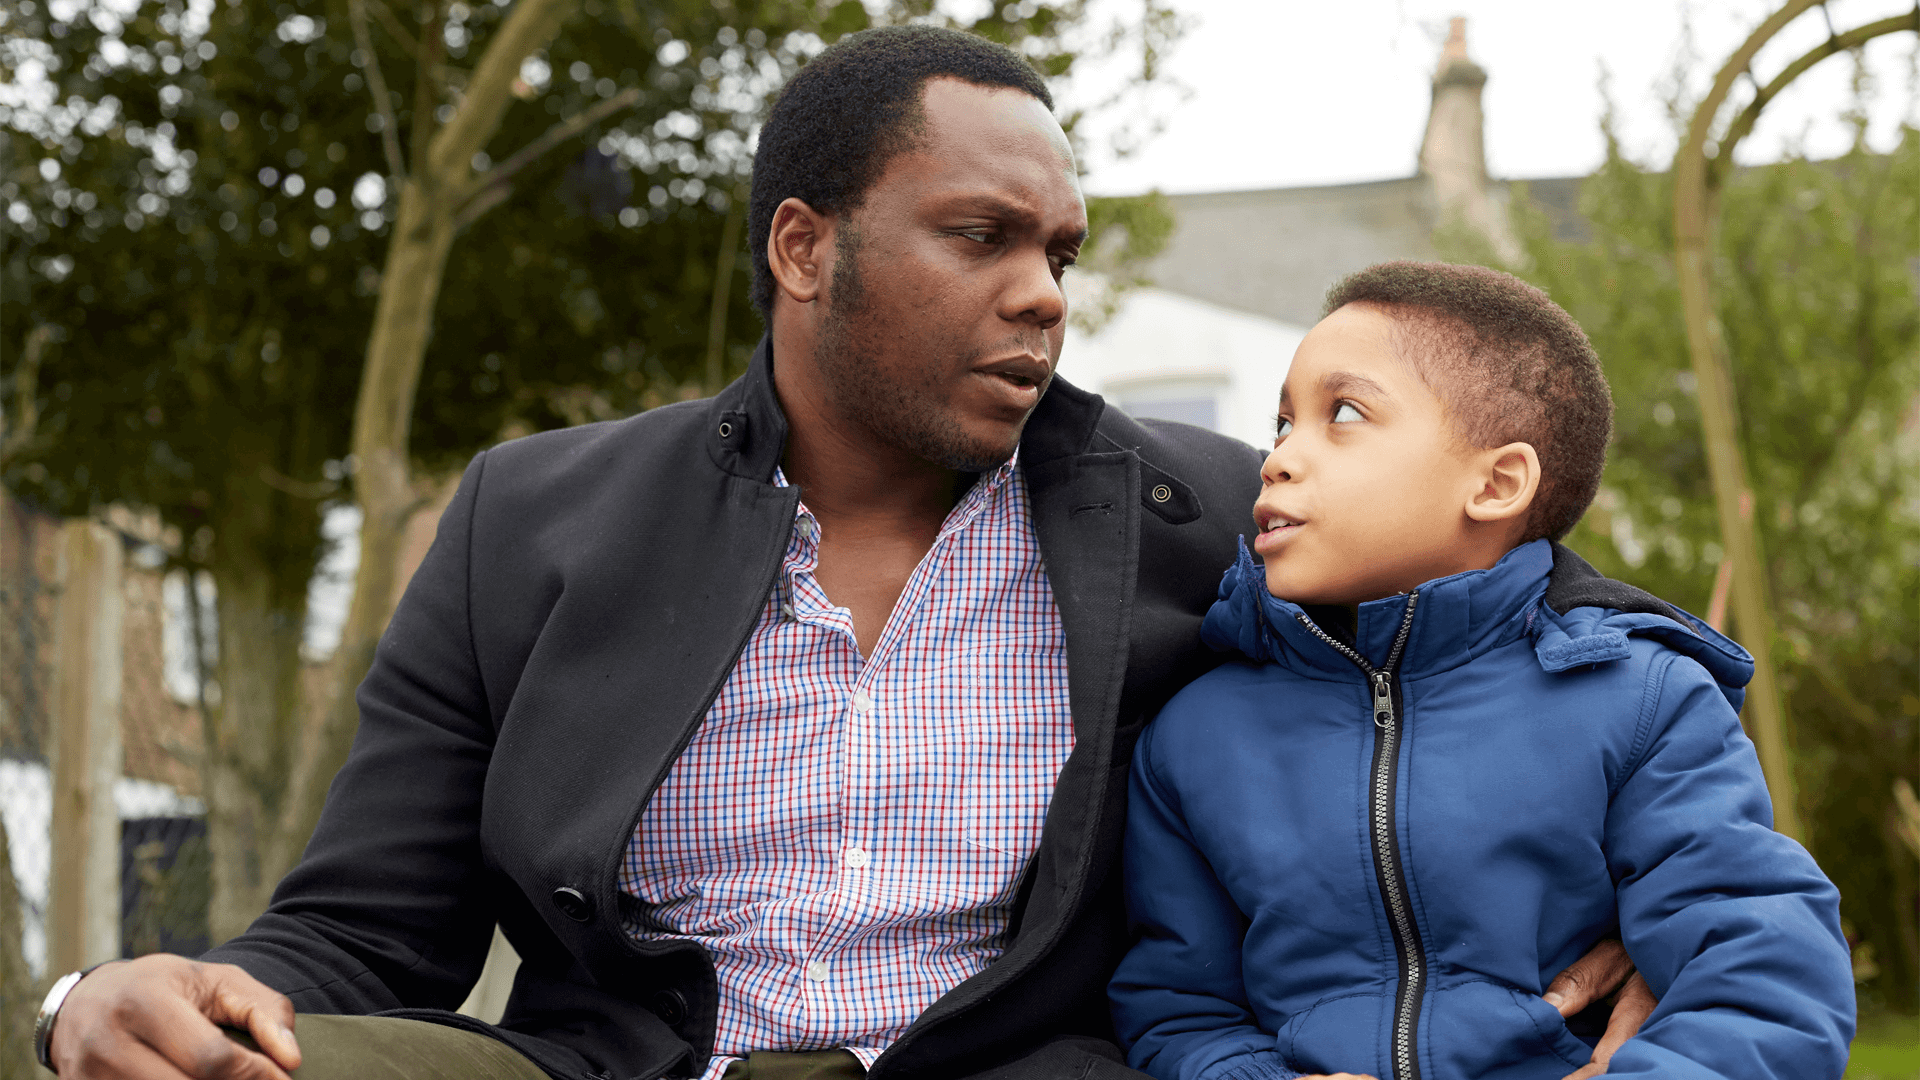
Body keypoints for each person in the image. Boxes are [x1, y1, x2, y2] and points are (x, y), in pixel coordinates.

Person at [44, 30, 1655, 1080]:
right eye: (982, 237)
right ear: (804, 248)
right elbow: (362, 935)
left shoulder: (1198, 515)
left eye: (1061, 252)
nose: (1044, 292)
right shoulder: (532, 519)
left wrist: (1665, 918)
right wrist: (128, 999)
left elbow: (1540, 584)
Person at [1107, 261, 1856, 1080]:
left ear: (1496, 483)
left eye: (1343, 413)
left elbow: (1758, 962)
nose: (1278, 458)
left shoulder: (1642, 697)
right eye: (1283, 423)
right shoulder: (1196, 734)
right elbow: (1178, 1009)